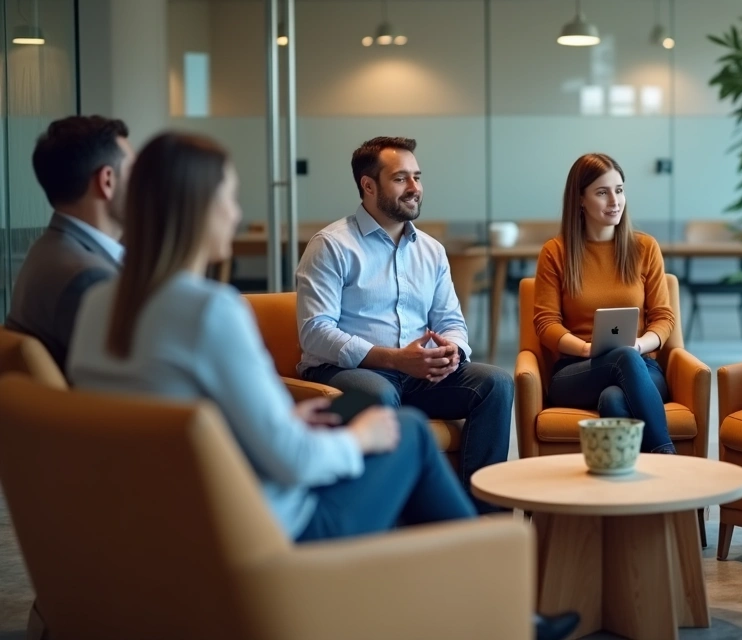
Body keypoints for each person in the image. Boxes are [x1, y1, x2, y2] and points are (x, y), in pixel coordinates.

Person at [66, 132, 578, 640]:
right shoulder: (216, 310)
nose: (236, 214)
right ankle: (491, 589)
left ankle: (474, 557)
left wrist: (447, 353)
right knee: (403, 428)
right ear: (196, 208)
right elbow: (293, 458)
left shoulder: (97, 306)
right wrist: (359, 437)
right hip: (270, 531)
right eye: (229, 197)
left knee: (487, 385)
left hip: (166, 527)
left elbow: (197, 421)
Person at [295, 136, 512, 514]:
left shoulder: (431, 250)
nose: (415, 187)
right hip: (346, 374)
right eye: (400, 179)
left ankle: (482, 520)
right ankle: (393, 520)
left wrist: (452, 351)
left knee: (495, 383)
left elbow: (451, 321)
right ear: (368, 186)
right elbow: (315, 331)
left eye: (417, 176)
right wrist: (394, 359)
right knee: (378, 393)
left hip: (418, 375)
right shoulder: (331, 245)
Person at [533, 153, 677, 454]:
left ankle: (624, 480)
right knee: (622, 357)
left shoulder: (645, 247)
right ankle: (668, 457)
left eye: (619, 190)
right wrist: (587, 349)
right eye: (602, 192)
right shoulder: (556, 252)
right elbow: (546, 324)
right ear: (580, 199)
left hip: (641, 365)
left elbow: (663, 318)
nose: (615, 201)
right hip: (577, 370)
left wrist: (639, 345)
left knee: (613, 398)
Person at [6, 116, 134, 372]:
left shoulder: (50, 249)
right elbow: (131, 379)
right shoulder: (89, 280)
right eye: (135, 172)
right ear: (107, 181)